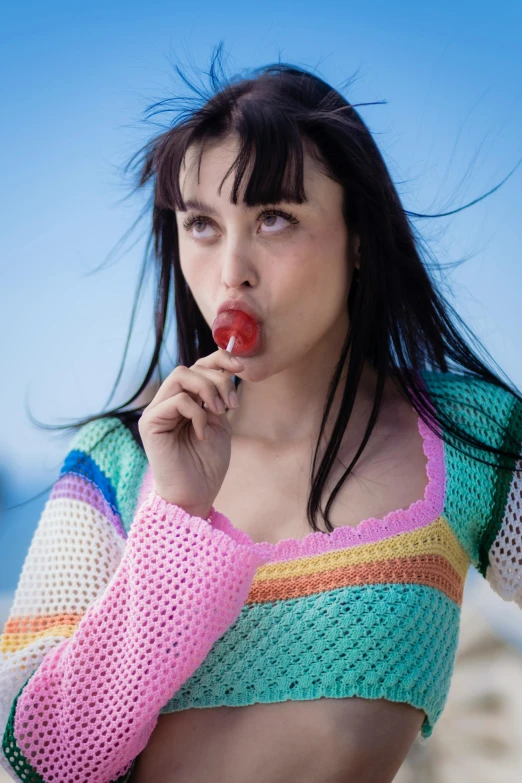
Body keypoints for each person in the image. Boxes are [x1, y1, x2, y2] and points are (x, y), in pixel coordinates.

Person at [1, 45, 521, 783]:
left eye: (274, 218)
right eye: (203, 224)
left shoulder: (470, 439)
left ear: (361, 238)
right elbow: (43, 762)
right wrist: (177, 516)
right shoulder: (117, 458)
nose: (230, 269)